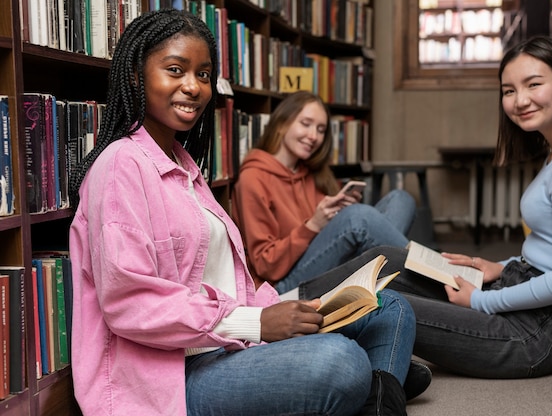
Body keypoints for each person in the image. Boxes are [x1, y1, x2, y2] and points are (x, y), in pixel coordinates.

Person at [67, 8, 423, 416]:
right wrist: (256, 324)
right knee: (340, 362)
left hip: (227, 344)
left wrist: (289, 312)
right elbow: (130, 303)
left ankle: (375, 398)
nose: (193, 87)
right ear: (135, 74)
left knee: (391, 308)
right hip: (173, 374)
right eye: (175, 70)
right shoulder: (119, 165)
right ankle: (379, 383)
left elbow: (229, 281)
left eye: (203, 75)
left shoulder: (184, 167)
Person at [306, 35, 552, 379]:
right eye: (508, 90)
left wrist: (482, 301)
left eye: (533, 84)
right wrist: (499, 266)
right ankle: (279, 306)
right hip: (518, 286)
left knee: (381, 302)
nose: (520, 100)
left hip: (536, 332)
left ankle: (284, 319)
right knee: (387, 259)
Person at [232, 90, 418, 294]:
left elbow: (331, 239)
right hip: (283, 285)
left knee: (401, 199)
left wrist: (339, 212)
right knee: (359, 218)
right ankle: (430, 276)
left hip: (325, 264)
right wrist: (313, 225)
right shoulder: (253, 178)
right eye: (306, 124)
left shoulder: (312, 171)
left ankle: (388, 275)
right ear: (282, 123)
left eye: (321, 130)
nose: (314, 136)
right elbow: (266, 266)